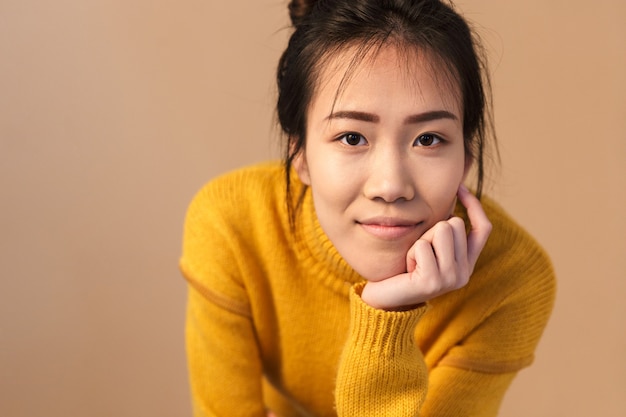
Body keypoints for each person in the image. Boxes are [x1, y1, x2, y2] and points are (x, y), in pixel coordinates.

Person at [179, 0, 556, 415]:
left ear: (466, 158)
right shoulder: (233, 225)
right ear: (300, 153)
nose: (390, 186)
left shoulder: (511, 280)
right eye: (352, 138)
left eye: (428, 139)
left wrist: (387, 314)